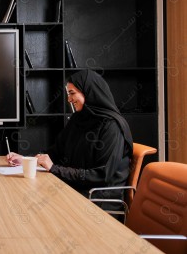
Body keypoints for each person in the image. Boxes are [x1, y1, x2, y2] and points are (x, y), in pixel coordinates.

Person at [7, 70, 133, 210]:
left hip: (98, 201)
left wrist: (54, 169)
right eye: (68, 94)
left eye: (72, 93)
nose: (69, 99)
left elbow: (101, 175)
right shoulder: (78, 119)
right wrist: (26, 160)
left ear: (89, 91)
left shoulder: (112, 126)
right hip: (76, 189)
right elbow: (56, 152)